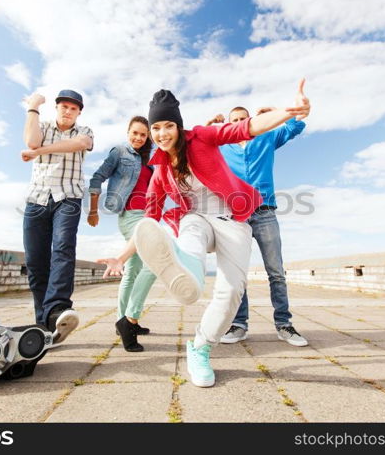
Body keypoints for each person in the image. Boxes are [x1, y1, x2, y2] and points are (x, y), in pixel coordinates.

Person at [98, 84, 309, 387]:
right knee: (191, 235)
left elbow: (247, 129)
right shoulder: (159, 171)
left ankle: (200, 346)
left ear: (178, 125)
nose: (161, 134)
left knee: (233, 290)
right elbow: (149, 220)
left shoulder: (203, 136)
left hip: (232, 217)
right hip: (195, 218)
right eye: (155, 127)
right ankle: (188, 276)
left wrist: (288, 112)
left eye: (168, 125)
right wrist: (121, 257)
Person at [207, 81, 310, 346]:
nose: (239, 123)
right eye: (234, 121)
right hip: (235, 216)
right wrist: (210, 126)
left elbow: (295, 126)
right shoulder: (222, 147)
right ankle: (239, 325)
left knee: (275, 271)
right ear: (228, 125)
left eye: (243, 119)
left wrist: (277, 111)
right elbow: (197, 148)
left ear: (250, 120)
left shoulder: (265, 137)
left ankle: (284, 325)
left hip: (265, 213)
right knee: (236, 272)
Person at [20, 89, 93, 346]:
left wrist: (40, 152)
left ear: (79, 112)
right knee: (36, 263)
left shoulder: (85, 132)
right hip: (37, 200)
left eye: (73, 108)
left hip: (68, 199)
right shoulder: (42, 127)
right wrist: (33, 106)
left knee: (62, 249)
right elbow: (31, 141)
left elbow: (79, 145)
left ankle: (58, 309)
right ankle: (44, 325)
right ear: (57, 108)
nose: (68, 111)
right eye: (63, 106)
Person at [87, 116, 157, 352]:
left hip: (147, 216)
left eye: (143, 134)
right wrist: (93, 209)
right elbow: (97, 176)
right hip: (129, 215)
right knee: (153, 265)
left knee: (134, 270)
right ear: (128, 132)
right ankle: (129, 320)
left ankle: (122, 320)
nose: (138, 138)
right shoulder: (119, 152)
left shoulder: (151, 157)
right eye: (135, 133)